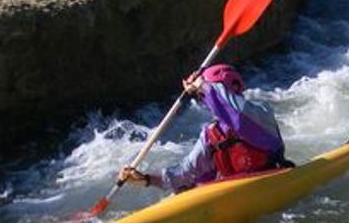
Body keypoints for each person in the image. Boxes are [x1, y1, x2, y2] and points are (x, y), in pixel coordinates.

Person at [118, 64, 291, 193]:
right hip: (234, 194)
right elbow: (185, 172)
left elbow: (236, 114)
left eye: (206, 94)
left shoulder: (261, 114)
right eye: (202, 96)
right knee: (193, 183)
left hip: (275, 181)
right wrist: (147, 179)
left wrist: (203, 84)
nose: (203, 99)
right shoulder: (211, 134)